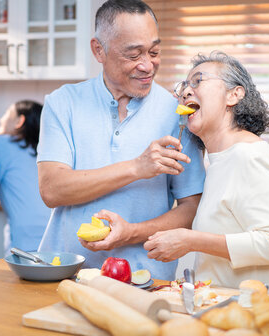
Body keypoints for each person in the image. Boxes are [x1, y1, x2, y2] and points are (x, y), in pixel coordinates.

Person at [36, 0, 206, 280]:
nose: (148, 65)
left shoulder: (177, 112)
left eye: (154, 52)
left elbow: (190, 207)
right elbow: (52, 190)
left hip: (145, 278)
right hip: (65, 272)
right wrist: (137, 168)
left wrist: (131, 233)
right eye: (133, 54)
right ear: (98, 50)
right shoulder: (62, 103)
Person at [144, 51, 269, 296]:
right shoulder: (218, 160)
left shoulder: (249, 155)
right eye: (184, 85)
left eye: (197, 81)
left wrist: (190, 240)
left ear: (233, 95)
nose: (185, 91)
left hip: (257, 315)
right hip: (227, 309)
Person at [0, 100, 51, 254]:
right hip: (54, 234)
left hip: (26, 237)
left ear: (20, 121)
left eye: (6, 114)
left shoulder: (2, 143)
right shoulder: (46, 151)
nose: (1, 119)